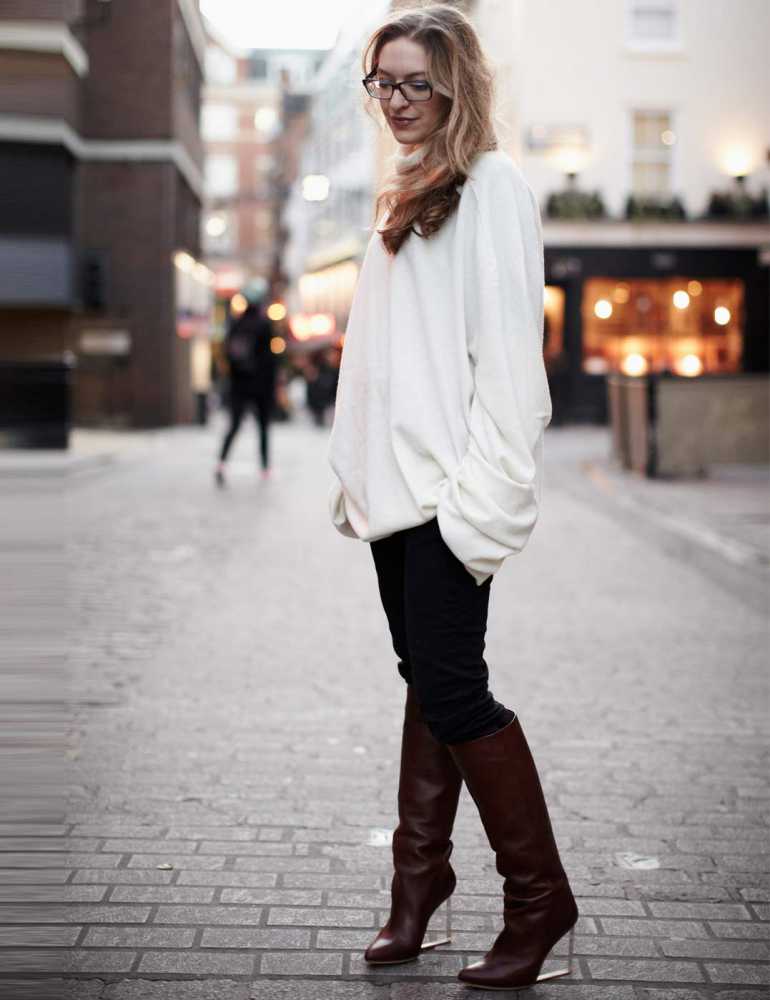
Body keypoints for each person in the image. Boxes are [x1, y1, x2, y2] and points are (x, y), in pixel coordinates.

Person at [326, 4, 577, 992]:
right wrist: (357, 470)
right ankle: (418, 884)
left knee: (454, 687)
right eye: (381, 82)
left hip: (447, 498)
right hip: (394, 497)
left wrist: (481, 508)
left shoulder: (492, 185)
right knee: (427, 679)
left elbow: (509, 363)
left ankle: (538, 899)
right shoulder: (406, 189)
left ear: (455, 86)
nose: (394, 101)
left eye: (414, 83)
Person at [215, 283, 277, 486]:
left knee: (233, 426)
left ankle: (221, 464)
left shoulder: (236, 324)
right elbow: (270, 360)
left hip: (239, 385)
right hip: (260, 387)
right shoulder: (264, 325)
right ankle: (265, 468)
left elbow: (227, 355)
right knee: (263, 428)